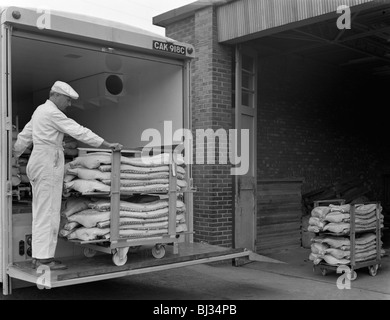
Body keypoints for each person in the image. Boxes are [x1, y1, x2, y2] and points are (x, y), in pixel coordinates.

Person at [13, 80, 123, 270]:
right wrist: (106, 144)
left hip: (39, 161)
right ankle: (44, 259)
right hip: (47, 162)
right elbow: (78, 130)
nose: (69, 104)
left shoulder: (39, 111)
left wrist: (12, 154)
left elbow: (24, 136)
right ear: (55, 95)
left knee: (41, 211)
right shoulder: (52, 112)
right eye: (67, 99)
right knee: (49, 212)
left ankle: (39, 256)